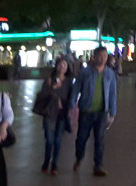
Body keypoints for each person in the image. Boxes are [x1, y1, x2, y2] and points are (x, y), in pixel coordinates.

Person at [69, 46, 118, 177]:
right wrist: (71, 105)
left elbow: (113, 93)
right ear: (94, 57)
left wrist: (113, 112)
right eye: (100, 56)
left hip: (102, 111)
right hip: (86, 111)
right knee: (81, 138)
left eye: (105, 56)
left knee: (100, 140)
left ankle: (98, 166)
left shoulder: (110, 73)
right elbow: (76, 89)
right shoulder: (85, 72)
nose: (103, 59)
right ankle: (79, 158)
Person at [39, 58, 72, 174]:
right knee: (49, 140)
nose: (62, 66)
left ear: (67, 68)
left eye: (65, 64)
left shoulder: (68, 82)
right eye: (60, 64)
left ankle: (55, 164)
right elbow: (42, 95)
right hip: (50, 113)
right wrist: (53, 87)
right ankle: (47, 160)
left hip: (62, 114)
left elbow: (71, 97)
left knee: (58, 140)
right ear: (56, 66)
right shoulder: (49, 80)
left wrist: (70, 109)